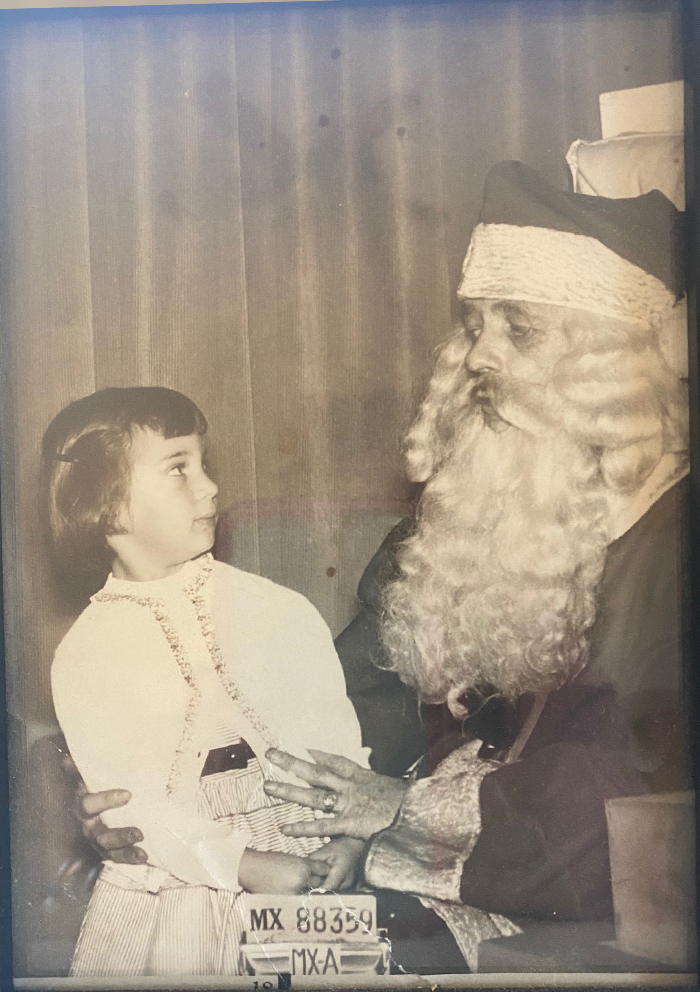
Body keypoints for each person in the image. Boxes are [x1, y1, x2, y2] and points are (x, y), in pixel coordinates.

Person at [72, 162, 691, 971]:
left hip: (593, 927)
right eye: (476, 325)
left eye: (519, 329)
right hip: (422, 875)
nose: (478, 358)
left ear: (615, 362)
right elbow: (332, 713)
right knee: (222, 946)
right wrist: (154, 794)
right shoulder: (457, 529)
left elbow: (637, 808)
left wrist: (405, 811)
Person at [45, 386, 368, 977]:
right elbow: (131, 803)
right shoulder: (87, 652)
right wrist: (244, 864)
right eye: (178, 468)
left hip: (309, 858)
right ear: (107, 506)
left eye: (203, 463)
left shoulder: (276, 608)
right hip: (175, 893)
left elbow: (333, 741)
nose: (210, 486)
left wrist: (350, 836)